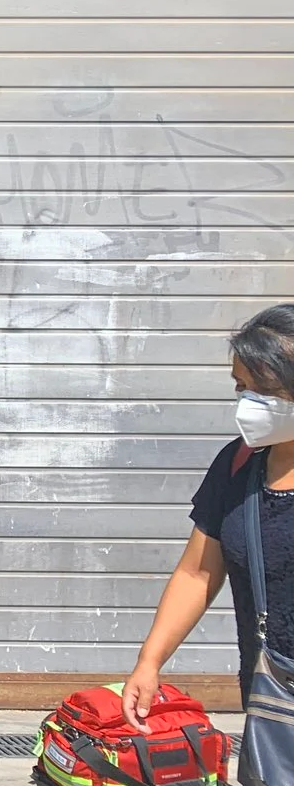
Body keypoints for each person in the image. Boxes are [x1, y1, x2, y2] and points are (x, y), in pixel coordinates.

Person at [125, 304, 294, 724]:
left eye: (265, 389)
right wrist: (150, 662)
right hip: (272, 698)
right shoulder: (237, 467)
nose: (249, 404)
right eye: (242, 388)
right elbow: (197, 573)